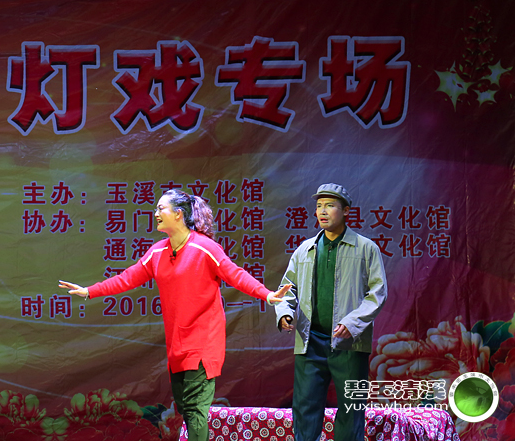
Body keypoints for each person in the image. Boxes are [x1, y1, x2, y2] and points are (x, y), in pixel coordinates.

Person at [60, 188, 291, 441]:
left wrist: (267, 294)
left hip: (203, 342)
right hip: (177, 344)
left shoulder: (205, 248)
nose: (156, 213)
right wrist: (89, 291)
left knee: (195, 409)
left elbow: (235, 274)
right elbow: (127, 278)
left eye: (161, 208)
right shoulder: (158, 252)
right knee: (185, 408)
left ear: (179, 214)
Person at [274, 183, 387, 441]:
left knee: (351, 410)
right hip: (310, 341)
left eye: (330, 206)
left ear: (346, 211)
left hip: (349, 342)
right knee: (305, 409)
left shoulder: (365, 248)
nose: (322, 211)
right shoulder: (305, 249)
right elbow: (287, 288)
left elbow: (377, 292)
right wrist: (284, 313)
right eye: (319, 206)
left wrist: (353, 322)